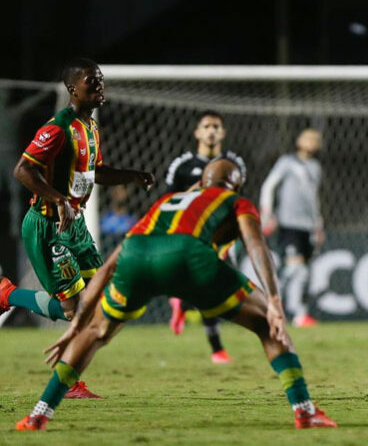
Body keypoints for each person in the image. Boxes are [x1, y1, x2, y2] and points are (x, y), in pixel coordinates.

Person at [15, 160, 337, 431]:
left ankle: (39, 414)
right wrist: (276, 303)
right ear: (235, 185)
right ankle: (305, 410)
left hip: (135, 256)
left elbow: (114, 261)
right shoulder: (234, 200)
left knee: (96, 332)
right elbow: (256, 245)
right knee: (268, 325)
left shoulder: (166, 202)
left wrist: (78, 325)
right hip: (188, 256)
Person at [1, 58, 154, 399]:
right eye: (91, 81)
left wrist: (131, 175)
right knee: (74, 310)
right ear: (73, 89)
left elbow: (94, 172)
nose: (100, 85)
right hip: (48, 226)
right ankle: (8, 297)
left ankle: (8, 295)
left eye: (100, 79)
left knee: (101, 297)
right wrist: (56, 199)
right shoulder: (58, 127)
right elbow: (23, 170)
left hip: (76, 226)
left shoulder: (91, 128)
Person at [164, 110, 247, 364]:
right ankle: (217, 349)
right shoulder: (182, 165)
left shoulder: (234, 163)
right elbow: (168, 202)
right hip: (190, 233)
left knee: (217, 289)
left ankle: (182, 302)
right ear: (197, 132)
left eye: (216, 126)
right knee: (210, 289)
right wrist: (199, 187)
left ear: (222, 133)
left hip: (221, 233)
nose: (211, 130)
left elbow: (238, 199)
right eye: (207, 126)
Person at [260, 129, 324, 328]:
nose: (311, 141)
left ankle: (297, 313)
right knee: (296, 269)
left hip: (308, 226)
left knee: (303, 271)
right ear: (299, 140)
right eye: (308, 137)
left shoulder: (315, 167)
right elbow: (269, 186)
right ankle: (271, 302)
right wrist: (267, 214)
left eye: (315, 139)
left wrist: (318, 224)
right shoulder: (287, 162)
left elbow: (314, 198)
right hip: (289, 223)